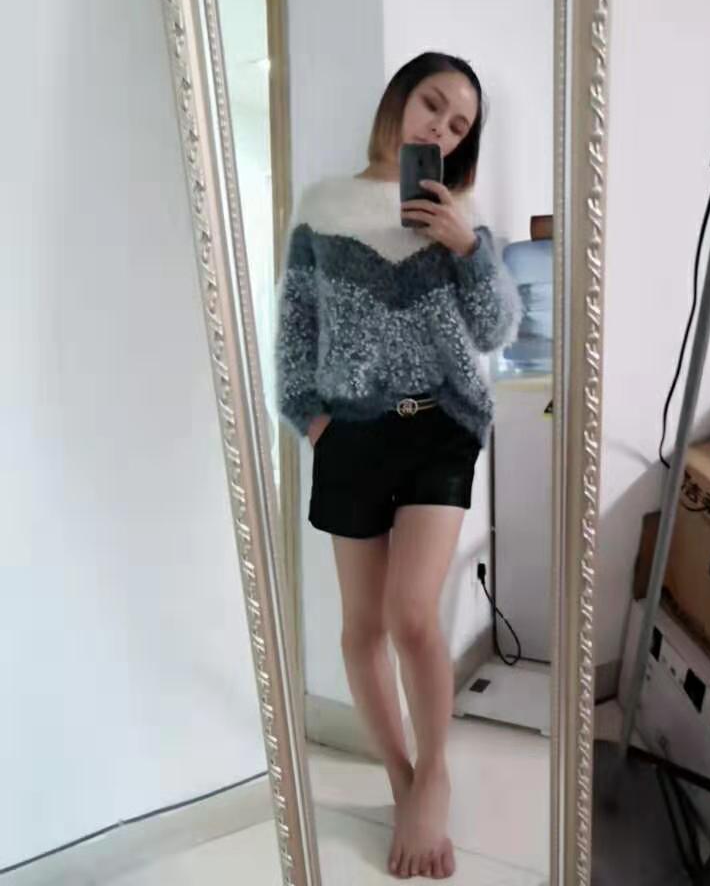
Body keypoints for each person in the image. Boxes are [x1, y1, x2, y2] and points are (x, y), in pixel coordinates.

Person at [275, 52, 520, 880]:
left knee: (412, 614)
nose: (440, 128)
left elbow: (496, 330)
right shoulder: (324, 208)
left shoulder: (462, 214)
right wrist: (312, 421)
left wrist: (467, 247)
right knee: (362, 627)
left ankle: (436, 771)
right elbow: (296, 330)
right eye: (432, 105)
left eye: (458, 125)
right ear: (398, 101)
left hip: (440, 427)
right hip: (349, 434)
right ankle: (400, 775)